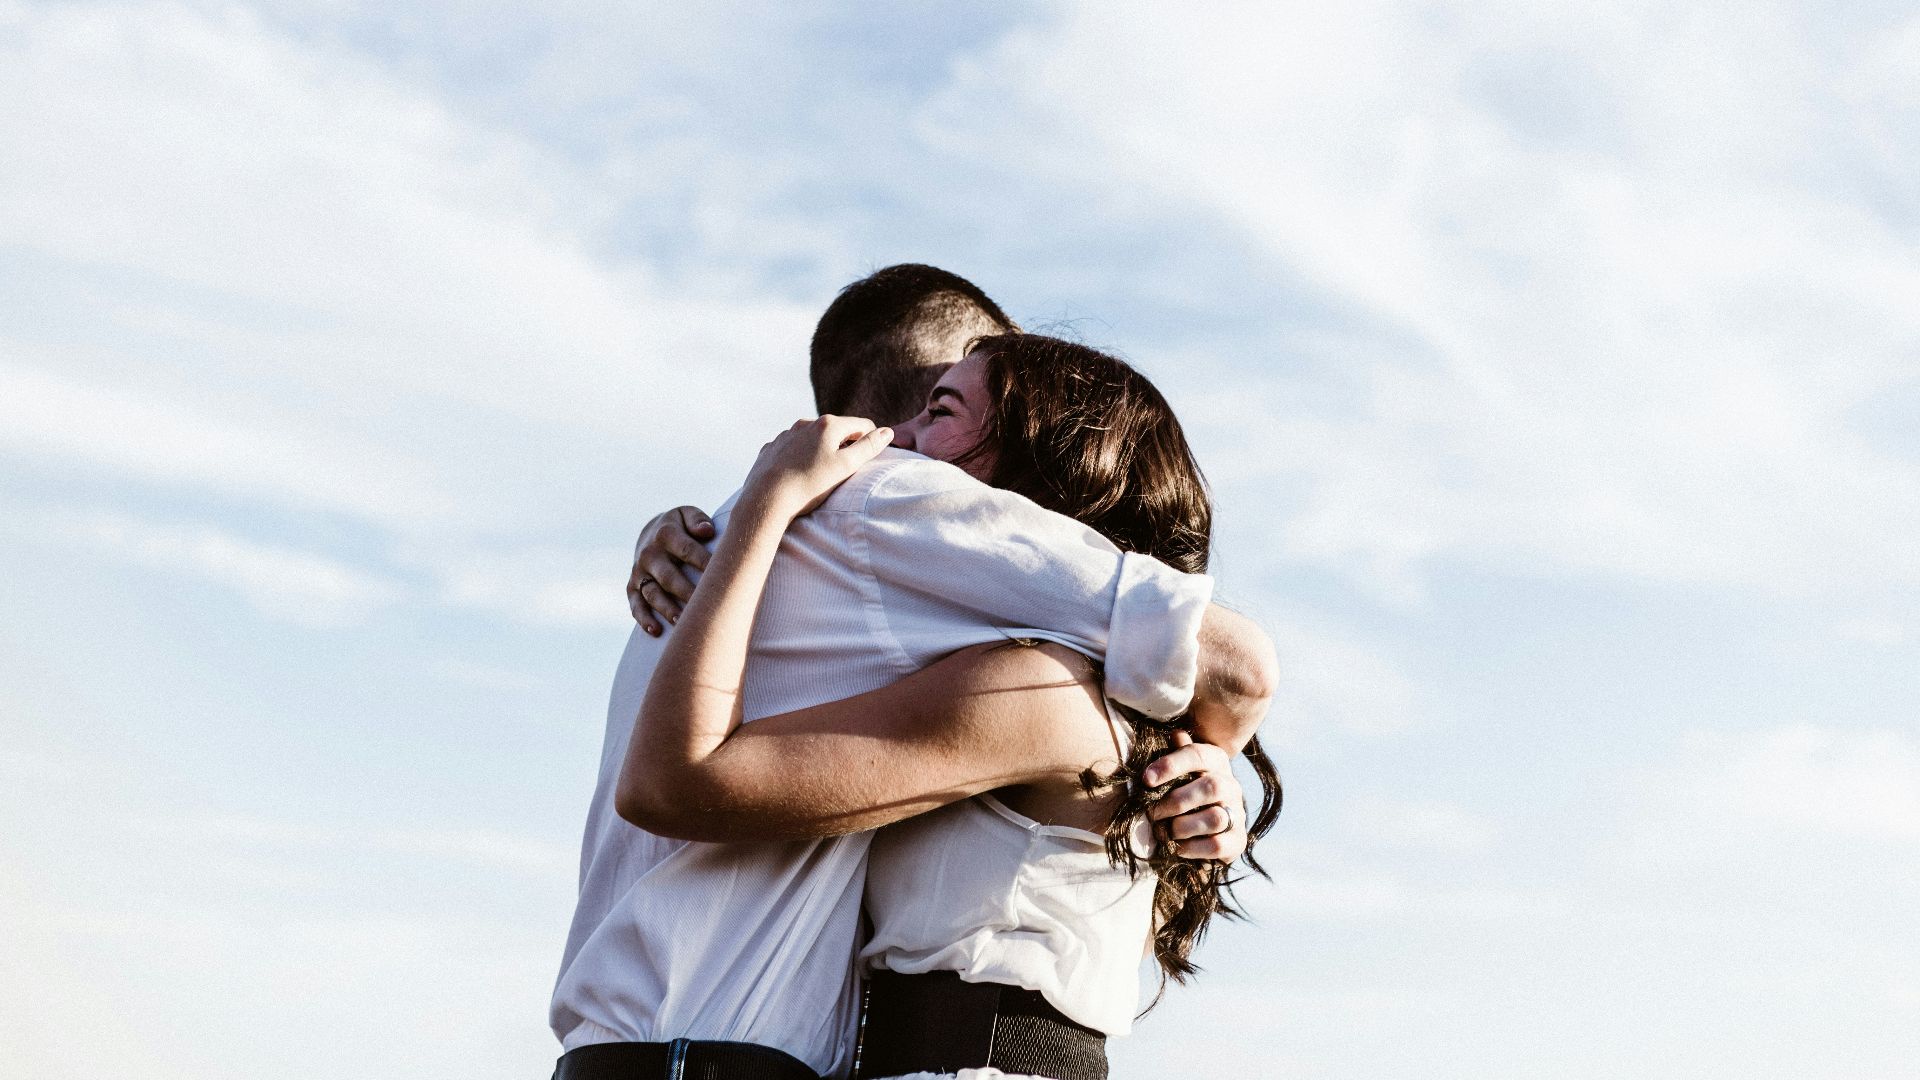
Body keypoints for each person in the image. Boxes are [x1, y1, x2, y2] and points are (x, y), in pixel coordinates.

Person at [550, 265, 1276, 1080]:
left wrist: (1209, 755)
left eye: (944, 415)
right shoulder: (885, 552)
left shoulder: (1045, 690)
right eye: (934, 404)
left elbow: (1236, 670)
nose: (896, 450)